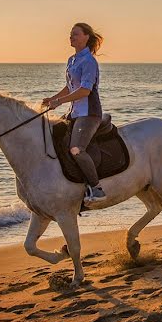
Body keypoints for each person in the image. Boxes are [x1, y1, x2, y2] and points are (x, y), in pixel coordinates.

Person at [42, 23, 106, 203]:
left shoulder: (89, 61)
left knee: (76, 149)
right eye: (70, 34)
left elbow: (85, 90)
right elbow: (70, 87)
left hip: (89, 113)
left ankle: (96, 188)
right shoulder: (72, 60)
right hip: (74, 112)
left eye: (75, 34)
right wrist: (52, 98)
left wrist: (59, 102)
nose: (71, 37)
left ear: (86, 37)